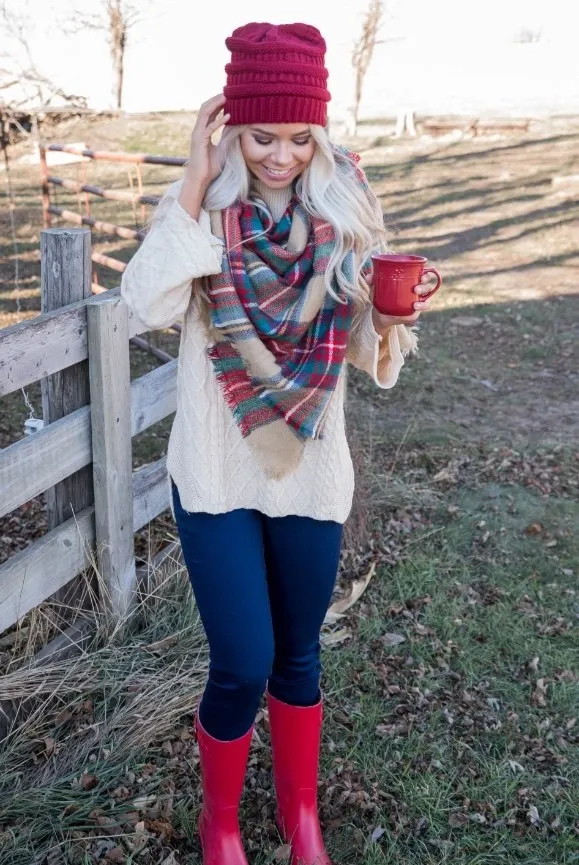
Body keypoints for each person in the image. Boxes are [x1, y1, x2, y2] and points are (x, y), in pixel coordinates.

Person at [121, 21, 433, 865]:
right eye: (262, 135)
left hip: (310, 474)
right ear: (230, 128)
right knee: (242, 661)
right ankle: (219, 824)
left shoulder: (346, 209)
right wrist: (190, 178)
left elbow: (370, 362)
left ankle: (302, 821)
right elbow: (141, 307)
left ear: (319, 134)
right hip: (215, 476)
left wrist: (387, 318)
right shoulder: (200, 213)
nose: (282, 155)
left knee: (296, 655)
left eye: (301, 137)